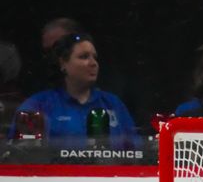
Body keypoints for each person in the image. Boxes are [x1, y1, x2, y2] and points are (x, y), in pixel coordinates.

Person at [8, 33, 139, 149]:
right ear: (63, 63)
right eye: (84, 57)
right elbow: (20, 157)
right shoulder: (38, 105)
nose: (93, 63)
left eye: (95, 57)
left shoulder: (113, 103)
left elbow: (136, 153)